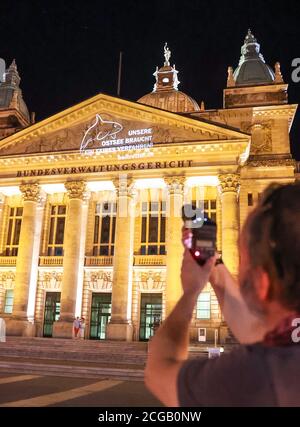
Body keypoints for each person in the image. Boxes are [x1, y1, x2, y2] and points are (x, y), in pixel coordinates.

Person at [145, 182, 300, 407]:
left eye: (242, 256)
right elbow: (256, 332)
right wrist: (213, 264)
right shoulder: (287, 342)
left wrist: (190, 293)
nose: (239, 263)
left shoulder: (260, 376)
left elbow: (158, 373)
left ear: (262, 282)